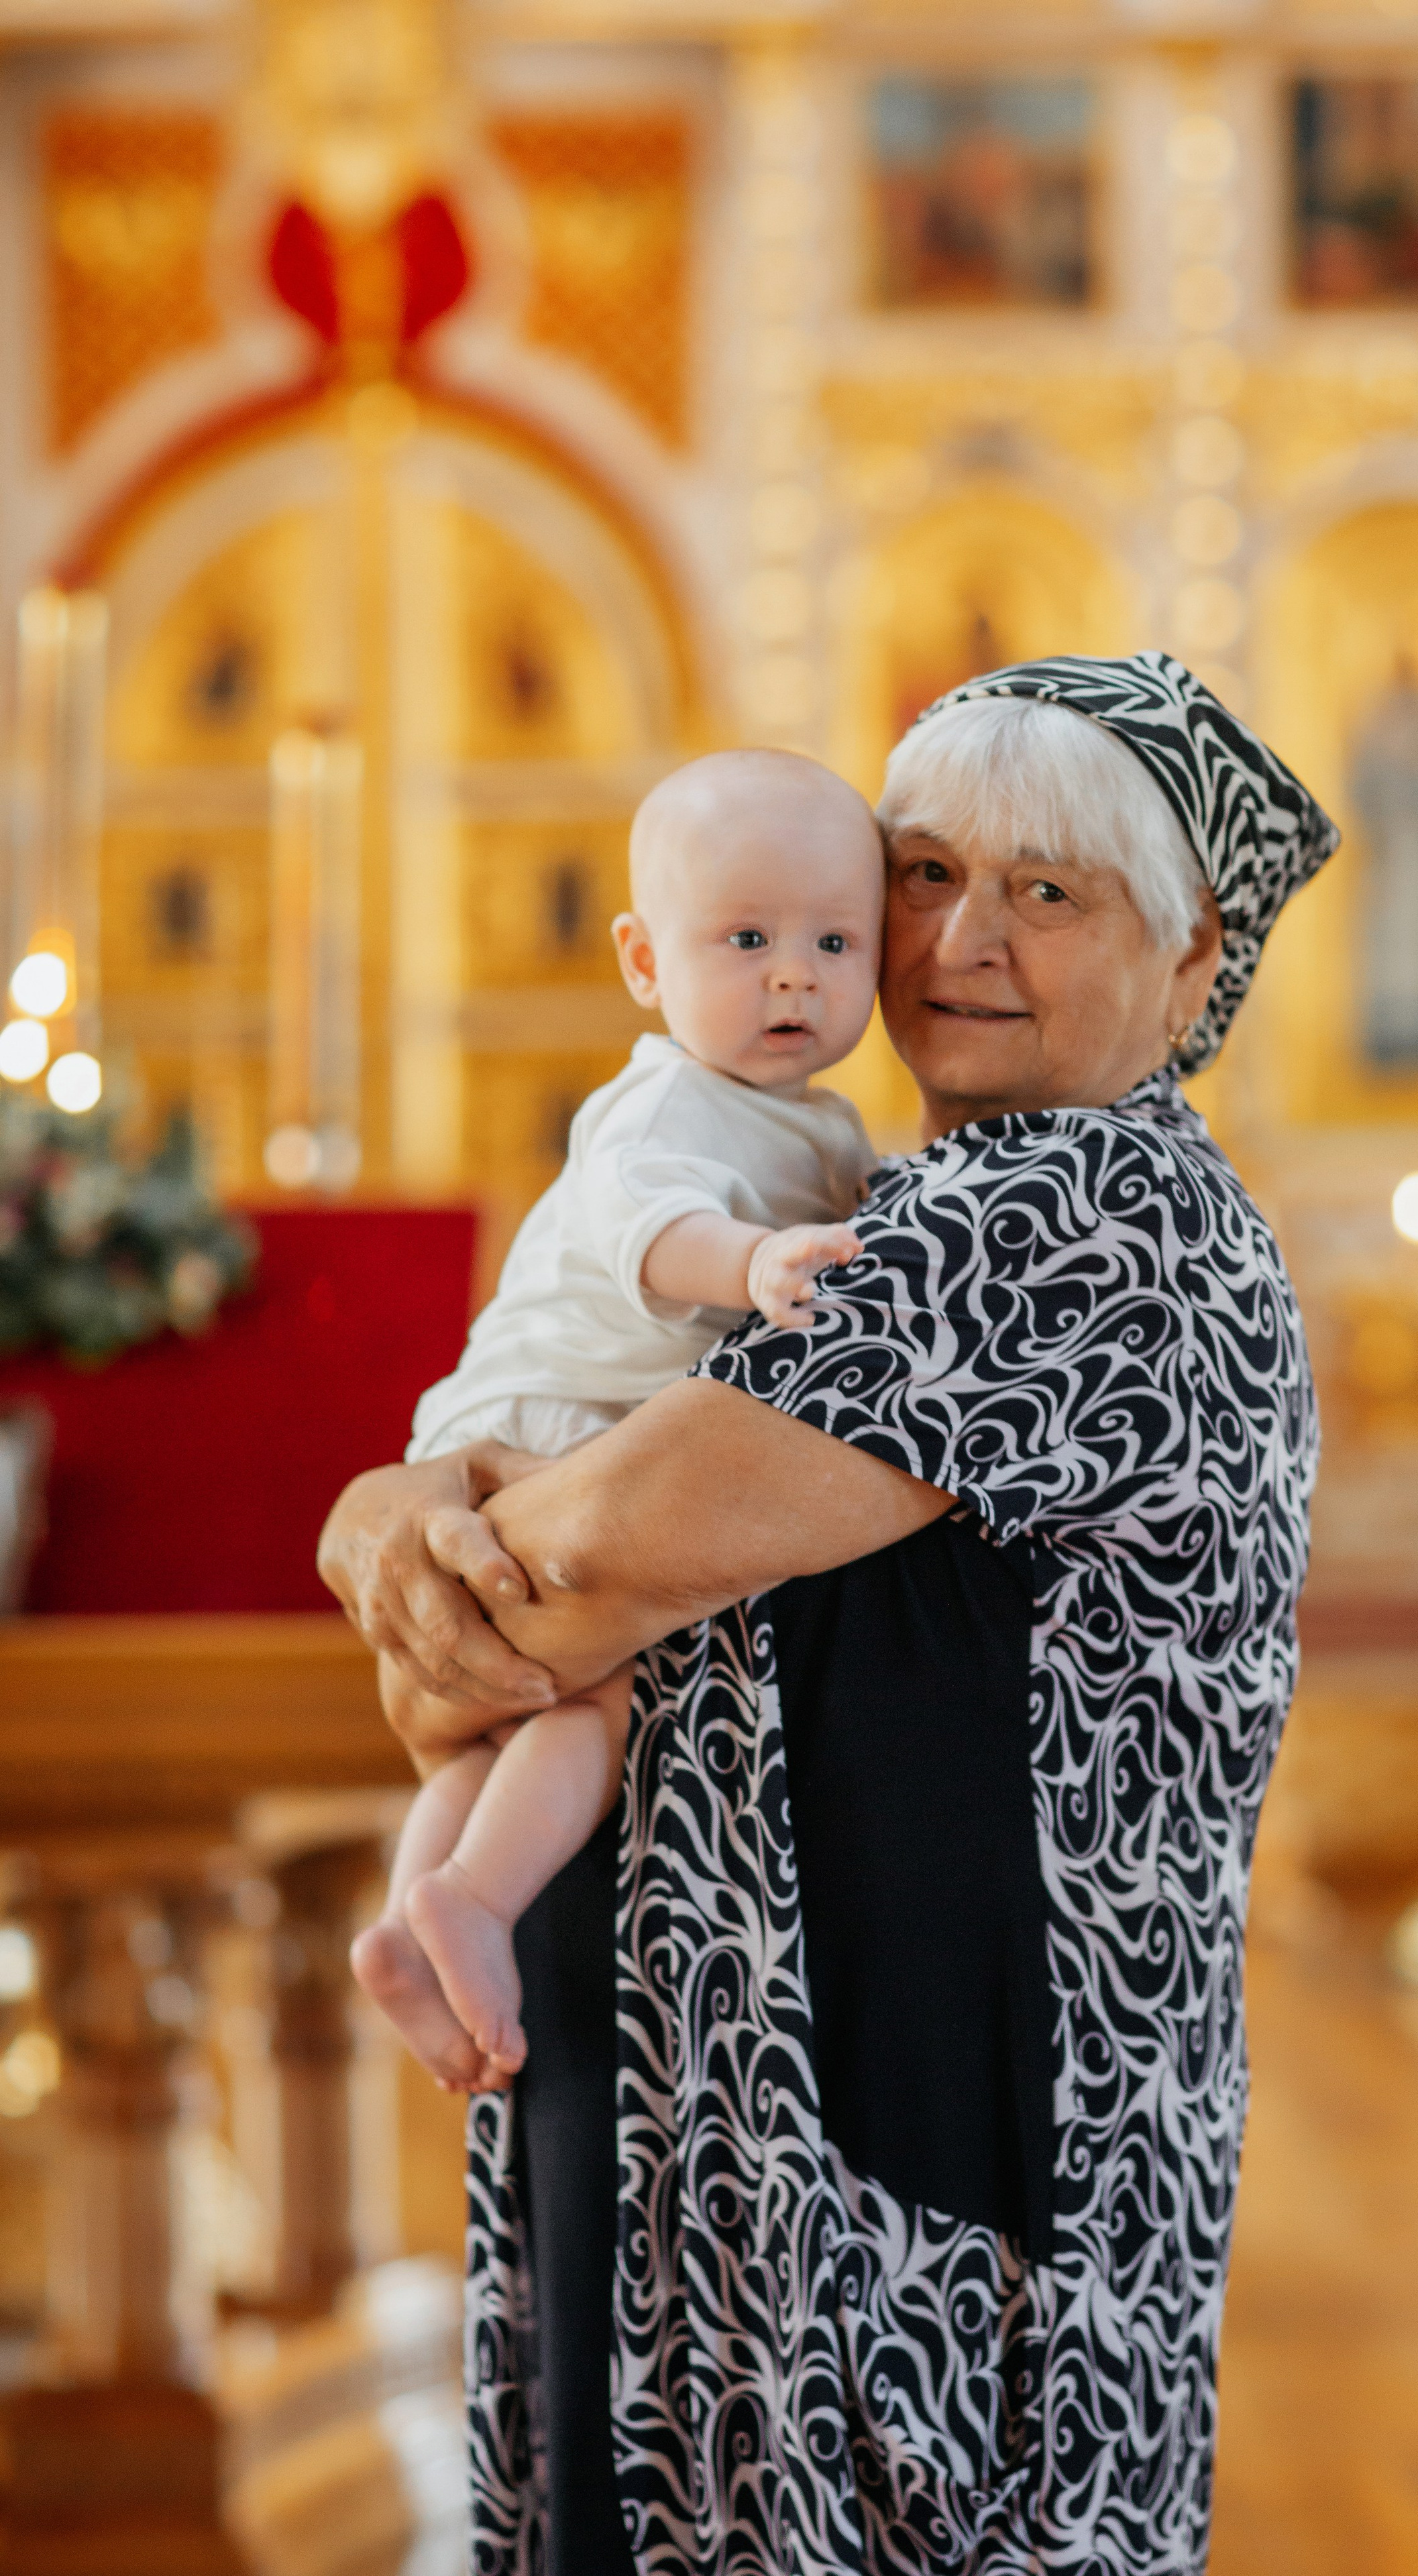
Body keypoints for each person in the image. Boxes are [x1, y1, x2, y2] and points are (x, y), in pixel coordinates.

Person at [319, 653, 1338, 2576]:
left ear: (1193, 958)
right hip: (775, 2082)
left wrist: (400, 1507)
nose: (958, 938)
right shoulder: (913, 1187)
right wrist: (412, 1527)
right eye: (930, 873)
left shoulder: (1074, 1217)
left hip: (909, 2138)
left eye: (1050, 891)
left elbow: (565, 1579)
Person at [350, 748, 882, 2091]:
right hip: (543, 1421)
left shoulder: (812, 1119)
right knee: (595, 1692)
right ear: (644, 961)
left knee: (492, 1719)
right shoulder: (660, 1102)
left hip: (569, 1428)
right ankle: (470, 1896)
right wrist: (753, 1268)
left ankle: (414, 1920)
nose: (792, 974)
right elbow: (653, 1235)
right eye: (746, 937)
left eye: (835, 940)